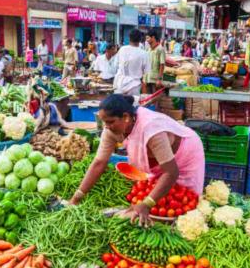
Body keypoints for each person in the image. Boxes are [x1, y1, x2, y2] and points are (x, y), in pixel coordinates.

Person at [69, 94, 205, 225]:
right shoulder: (111, 130)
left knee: (184, 201)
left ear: (126, 117)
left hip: (185, 153)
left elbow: (171, 172)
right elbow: (99, 163)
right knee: (161, 197)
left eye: (110, 122)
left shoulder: (151, 128)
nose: (107, 127)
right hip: (160, 162)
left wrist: (147, 203)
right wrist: (77, 197)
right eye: (104, 122)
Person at [113, 29, 150, 96]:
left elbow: (115, 65)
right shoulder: (144, 54)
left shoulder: (122, 49)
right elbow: (147, 72)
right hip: (134, 86)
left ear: (129, 38)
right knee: (132, 105)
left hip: (119, 84)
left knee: (118, 105)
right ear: (140, 39)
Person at [144, 29, 165, 94]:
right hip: (147, 77)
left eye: (148, 38)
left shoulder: (160, 49)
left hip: (155, 78)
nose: (146, 40)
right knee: (147, 97)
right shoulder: (148, 49)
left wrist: (159, 79)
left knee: (155, 96)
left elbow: (162, 64)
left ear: (153, 37)